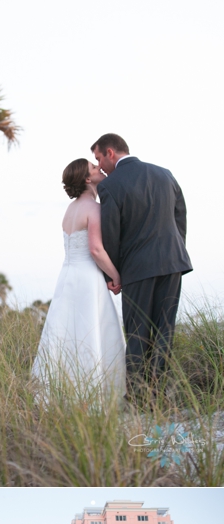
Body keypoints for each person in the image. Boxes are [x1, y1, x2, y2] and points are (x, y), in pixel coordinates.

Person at [91, 134, 192, 404]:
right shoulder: (165, 174)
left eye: (99, 158)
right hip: (172, 263)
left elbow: (111, 234)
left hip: (136, 269)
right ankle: (159, 396)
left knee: (137, 333)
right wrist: (175, 250)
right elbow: (179, 215)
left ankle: (137, 398)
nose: (98, 165)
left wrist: (112, 276)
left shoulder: (110, 186)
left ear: (110, 152)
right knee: (164, 330)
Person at [31, 159, 126, 404]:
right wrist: (116, 275)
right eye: (94, 168)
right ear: (87, 179)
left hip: (68, 276)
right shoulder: (93, 209)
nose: (99, 169)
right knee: (91, 330)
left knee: (67, 334)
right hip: (87, 277)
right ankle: (95, 395)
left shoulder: (70, 210)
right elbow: (95, 249)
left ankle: (65, 392)